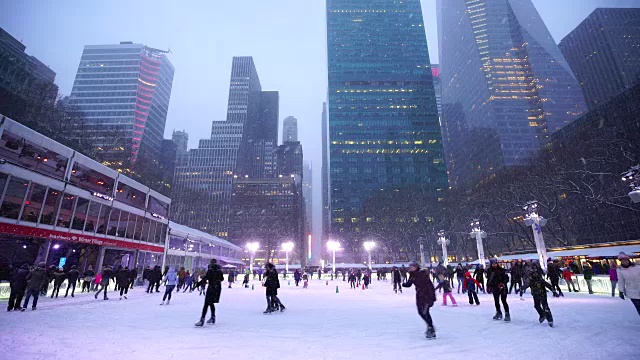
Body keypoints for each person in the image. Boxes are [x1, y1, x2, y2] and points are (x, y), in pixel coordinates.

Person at [402, 261, 437, 339]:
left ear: (416, 267)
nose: (410, 268)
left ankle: (431, 329)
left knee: (425, 312)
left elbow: (428, 285)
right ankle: (430, 326)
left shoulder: (422, 273)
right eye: (409, 267)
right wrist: (404, 284)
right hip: (419, 295)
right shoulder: (412, 275)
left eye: (411, 267)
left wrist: (432, 297)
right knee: (420, 312)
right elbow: (409, 284)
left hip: (427, 295)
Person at [521, 262, 558, 327]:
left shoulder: (532, 277)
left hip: (538, 293)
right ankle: (546, 317)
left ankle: (547, 318)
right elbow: (545, 283)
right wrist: (552, 290)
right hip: (539, 293)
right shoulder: (536, 276)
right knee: (541, 306)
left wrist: (522, 288)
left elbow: (528, 283)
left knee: (542, 306)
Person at [195, 259, 224, 326]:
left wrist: (198, 284)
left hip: (211, 288)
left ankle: (202, 320)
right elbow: (222, 279)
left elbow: (206, 278)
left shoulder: (211, 270)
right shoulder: (219, 270)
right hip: (217, 288)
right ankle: (213, 317)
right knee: (211, 303)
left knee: (206, 304)